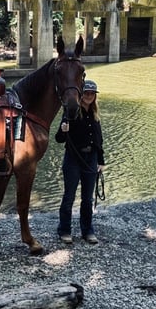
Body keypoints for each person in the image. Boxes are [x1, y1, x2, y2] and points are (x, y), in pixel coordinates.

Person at [55, 79, 105, 244]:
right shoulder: (71, 111)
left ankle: (88, 231)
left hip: (91, 159)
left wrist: (101, 161)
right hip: (73, 159)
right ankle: (64, 230)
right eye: (86, 93)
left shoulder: (95, 114)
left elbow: (99, 140)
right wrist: (63, 130)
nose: (89, 96)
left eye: (92, 93)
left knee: (88, 198)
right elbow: (59, 139)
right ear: (81, 94)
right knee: (69, 196)